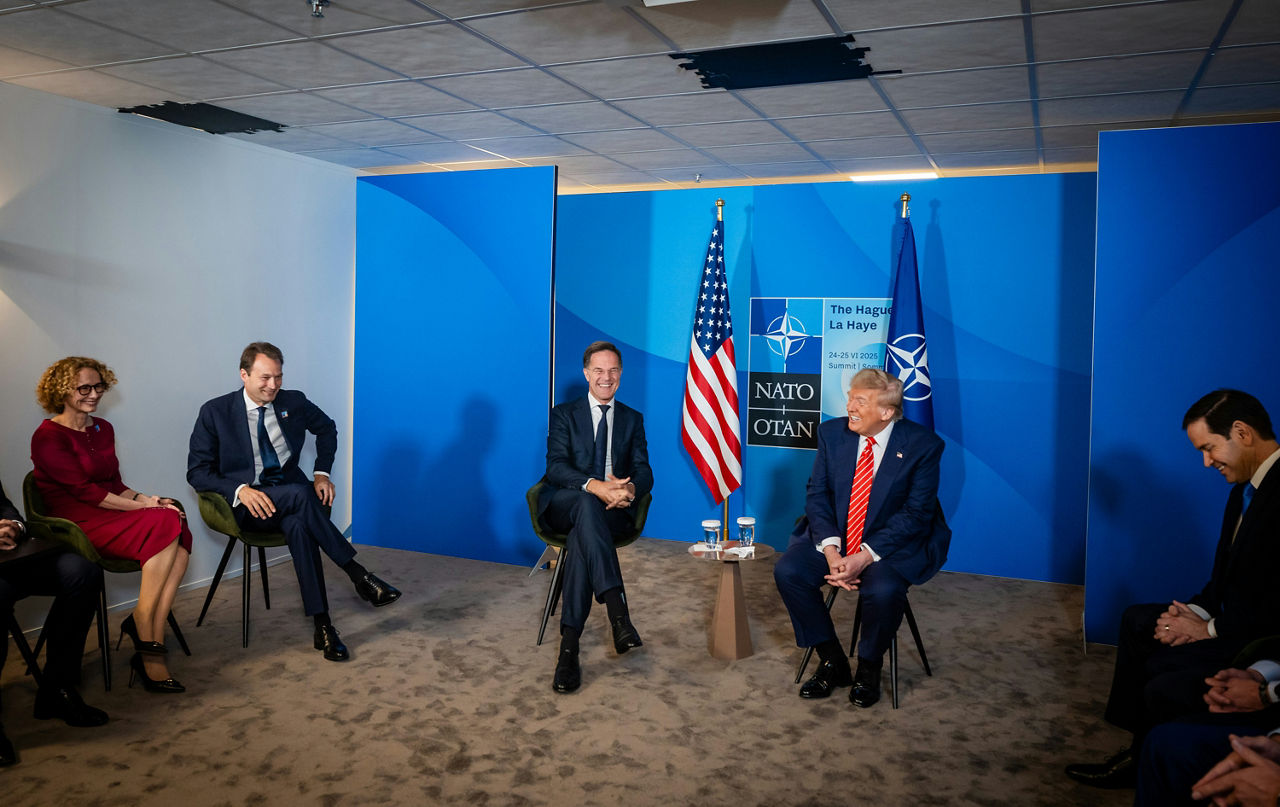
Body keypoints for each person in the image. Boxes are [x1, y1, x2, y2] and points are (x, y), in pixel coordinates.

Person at [1066, 389, 1280, 788]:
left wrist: (1207, 629)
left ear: (1242, 432)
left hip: (1257, 640)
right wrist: (1188, 614)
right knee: (1138, 620)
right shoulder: (1242, 491)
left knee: (1161, 670)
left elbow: (1274, 608)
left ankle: (1147, 756)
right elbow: (1222, 581)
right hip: (1231, 620)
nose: (1206, 462)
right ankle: (1136, 749)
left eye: (1209, 448)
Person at [187, 342, 401, 662]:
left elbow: (327, 429)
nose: (273, 385)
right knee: (301, 495)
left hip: (291, 500)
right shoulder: (215, 412)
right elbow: (197, 472)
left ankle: (323, 626)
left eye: (278, 377)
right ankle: (358, 574)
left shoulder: (293, 401)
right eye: (265, 377)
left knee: (299, 523)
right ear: (244, 375)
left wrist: (321, 473)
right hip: (251, 507)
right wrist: (240, 489)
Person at [773, 368, 950, 708]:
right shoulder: (832, 434)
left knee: (883, 591)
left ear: (886, 412)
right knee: (789, 571)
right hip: (837, 537)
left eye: (860, 401)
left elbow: (916, 514)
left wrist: (866, 556)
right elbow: (817, 495)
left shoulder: (923, 446)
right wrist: (831, 551)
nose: (850, 407)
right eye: (851, 397)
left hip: (891, 544)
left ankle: (869, 667)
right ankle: (832, 660)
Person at [31, 357, 192, 694]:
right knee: (164, 519)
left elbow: (115, 484)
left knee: (175, 514)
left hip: (108, 511)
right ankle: (145, 632)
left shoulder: (103, 428)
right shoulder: (47, 436)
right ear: (62, 391)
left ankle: (148, 626)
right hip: (76, 522)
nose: (94, 394)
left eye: (99, 386)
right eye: (84, 388)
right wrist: (145, 507)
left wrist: (148, 498)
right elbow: (86, 493)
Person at [537, 341, 653, 694]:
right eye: (599, 370)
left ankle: (568, 650)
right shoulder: (563, 414)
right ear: (586, 373)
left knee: (581, 539)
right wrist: (595, 487)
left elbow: (644, 471)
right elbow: (556, 468)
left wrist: (628, 489)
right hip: (567, 503)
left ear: (621, 374)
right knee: (586, 505)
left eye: (613, 370)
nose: (607, 377)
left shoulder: (632, 418)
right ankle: (618, 614)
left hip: (611, 512)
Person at [1, 478, 108, 767]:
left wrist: (13, 526)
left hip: (8, 558)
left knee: (82, 572)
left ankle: (57, 689)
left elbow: (4, 507)